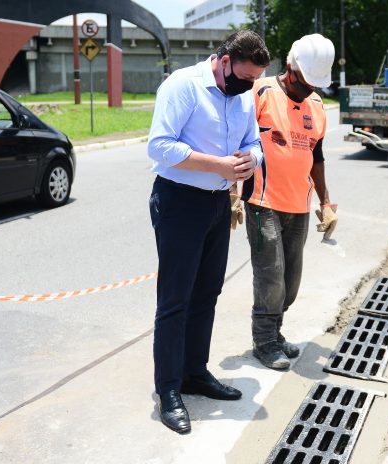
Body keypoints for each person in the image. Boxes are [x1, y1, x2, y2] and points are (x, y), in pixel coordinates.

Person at [147, 30, 270, 434]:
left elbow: (256, 143)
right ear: (223, 59)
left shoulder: (243, 95)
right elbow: (160, 146)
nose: (249, 85)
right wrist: (216, 164)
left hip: (219, 204)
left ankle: (194, 372)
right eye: (244, 77)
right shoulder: (184, 86)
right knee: (175, 300)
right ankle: (168, 389)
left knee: (207, 294)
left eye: (254, 80)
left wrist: (249, 159)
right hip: (180, 201)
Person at [237, 33, 337, 370]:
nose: (310, 89)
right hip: (262, 201)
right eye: (306, 81)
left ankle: (276, 333)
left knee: (291, 281)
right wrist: (232, 193)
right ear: (291, 68)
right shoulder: (260, 93)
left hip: (300, 204)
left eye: (315, 83)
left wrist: (326, 201)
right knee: (271, 276)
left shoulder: (318, 106)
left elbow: (317, 156)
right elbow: (234, 141)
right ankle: (263, 341)